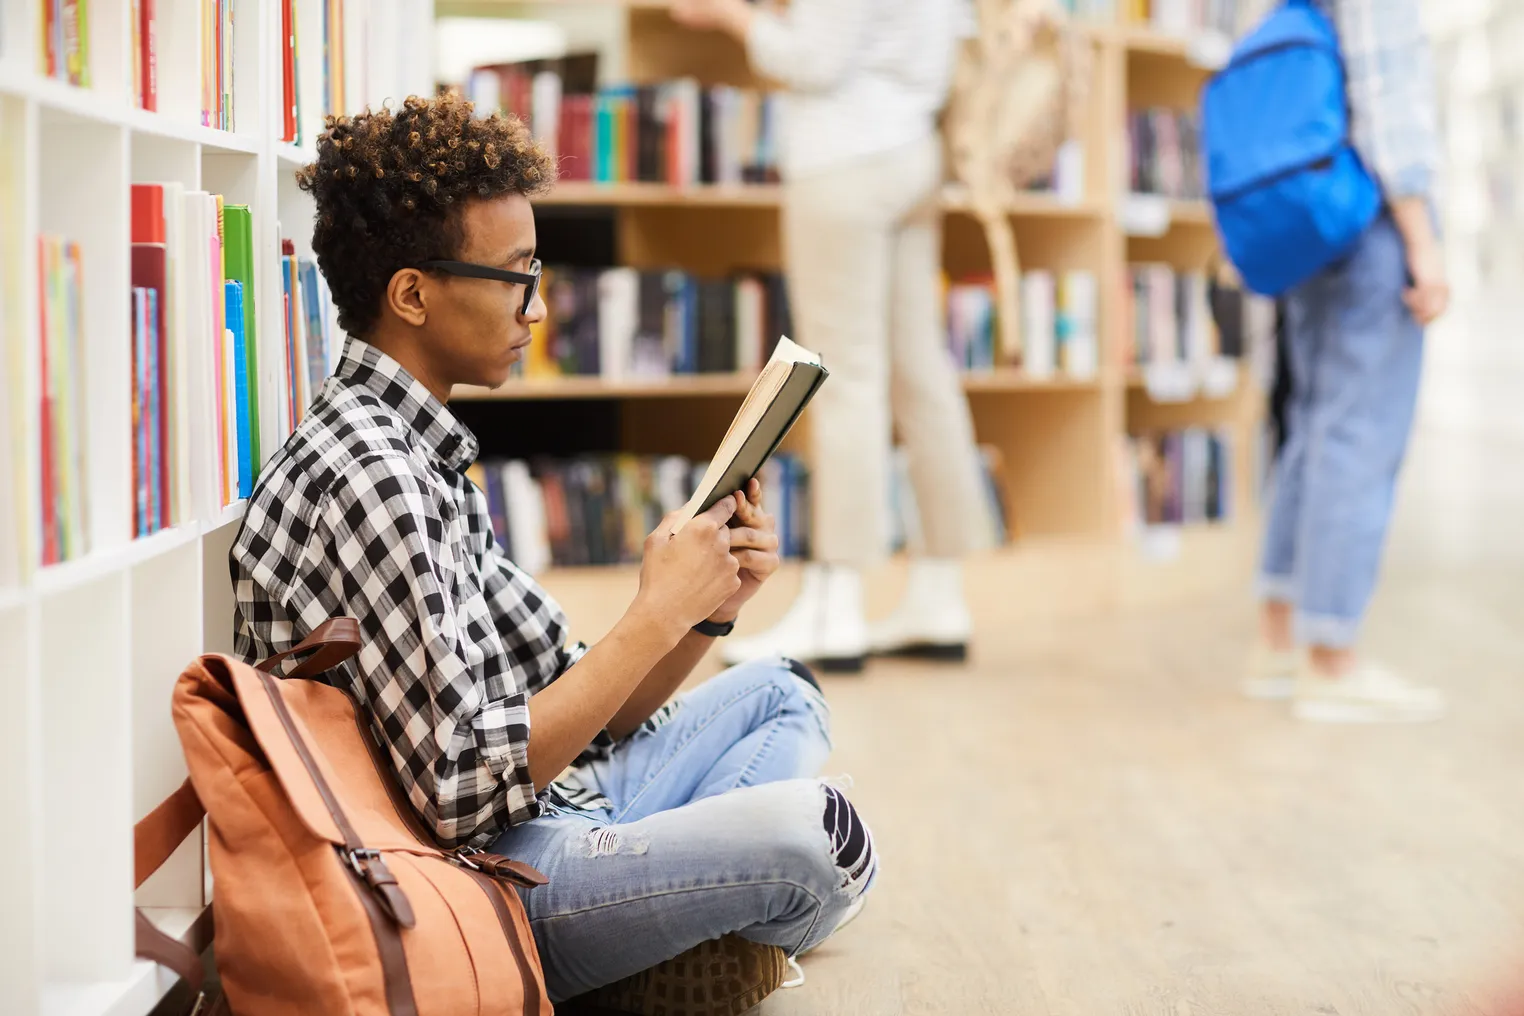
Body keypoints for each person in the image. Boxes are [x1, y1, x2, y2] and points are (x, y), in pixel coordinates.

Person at [230, 94, 876, 1011]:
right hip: (488, 878)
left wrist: (707, 606)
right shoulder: (377, 476)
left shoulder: (424, 449)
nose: (538, 307)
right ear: (413, 293)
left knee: (784, 691)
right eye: (516, 275)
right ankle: (658, 925)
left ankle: (670, 913)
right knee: (816, 835)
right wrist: (654, 611)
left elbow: (595, 709)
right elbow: (458, 791)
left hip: (556, 806)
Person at [671, 0, 994, 671]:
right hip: (913, 154)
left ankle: (836, 600)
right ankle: (940, 592)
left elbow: (812, 60)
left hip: (845, 161)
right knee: (919, 373)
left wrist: (732, 17)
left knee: (846, 379)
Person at [1244, 0, 1450, 722]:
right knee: (1360, 435)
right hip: (1372, 219)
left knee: (1313, 427)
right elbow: (1386, 97)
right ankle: (1331, 663)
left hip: (1311, 219)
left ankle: (1277, 644)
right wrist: (1422, 239)